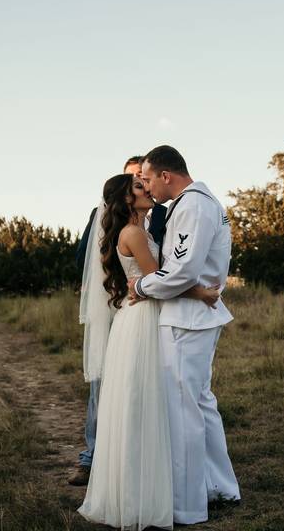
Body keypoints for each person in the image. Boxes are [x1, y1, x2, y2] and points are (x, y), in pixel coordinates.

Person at [78, 174, 219, 530]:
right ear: (127, 199)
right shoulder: (134, 233)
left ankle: (150, 486)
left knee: (145, 401)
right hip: (142, 319)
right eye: (139, 188)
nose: (147, 191)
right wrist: (200, 293)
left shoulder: (140, 230)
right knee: (144, 401)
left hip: (139, 314)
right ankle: (141, 493)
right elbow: (158, 281)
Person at [130, 145, 241, 525]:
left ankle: (187, 505)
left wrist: (142, 287)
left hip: (186, 320)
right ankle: (220, 487)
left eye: (148, 179)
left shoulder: (193, 205)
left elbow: (182, 271)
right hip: (196, 316)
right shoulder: (199, 202)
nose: (147, 187)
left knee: (182, 411)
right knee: (200, 403)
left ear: (166, 175)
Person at [69, 156, 168, 487]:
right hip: (123, 306)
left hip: (139, 303)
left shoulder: (161, 214)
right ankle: (94, 456)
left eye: (145, 179)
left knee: (138, 384)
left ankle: (143, 457)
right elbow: (90, 255)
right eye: (137, 181)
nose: (144, 185)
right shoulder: (114, 222)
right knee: (108, 384)